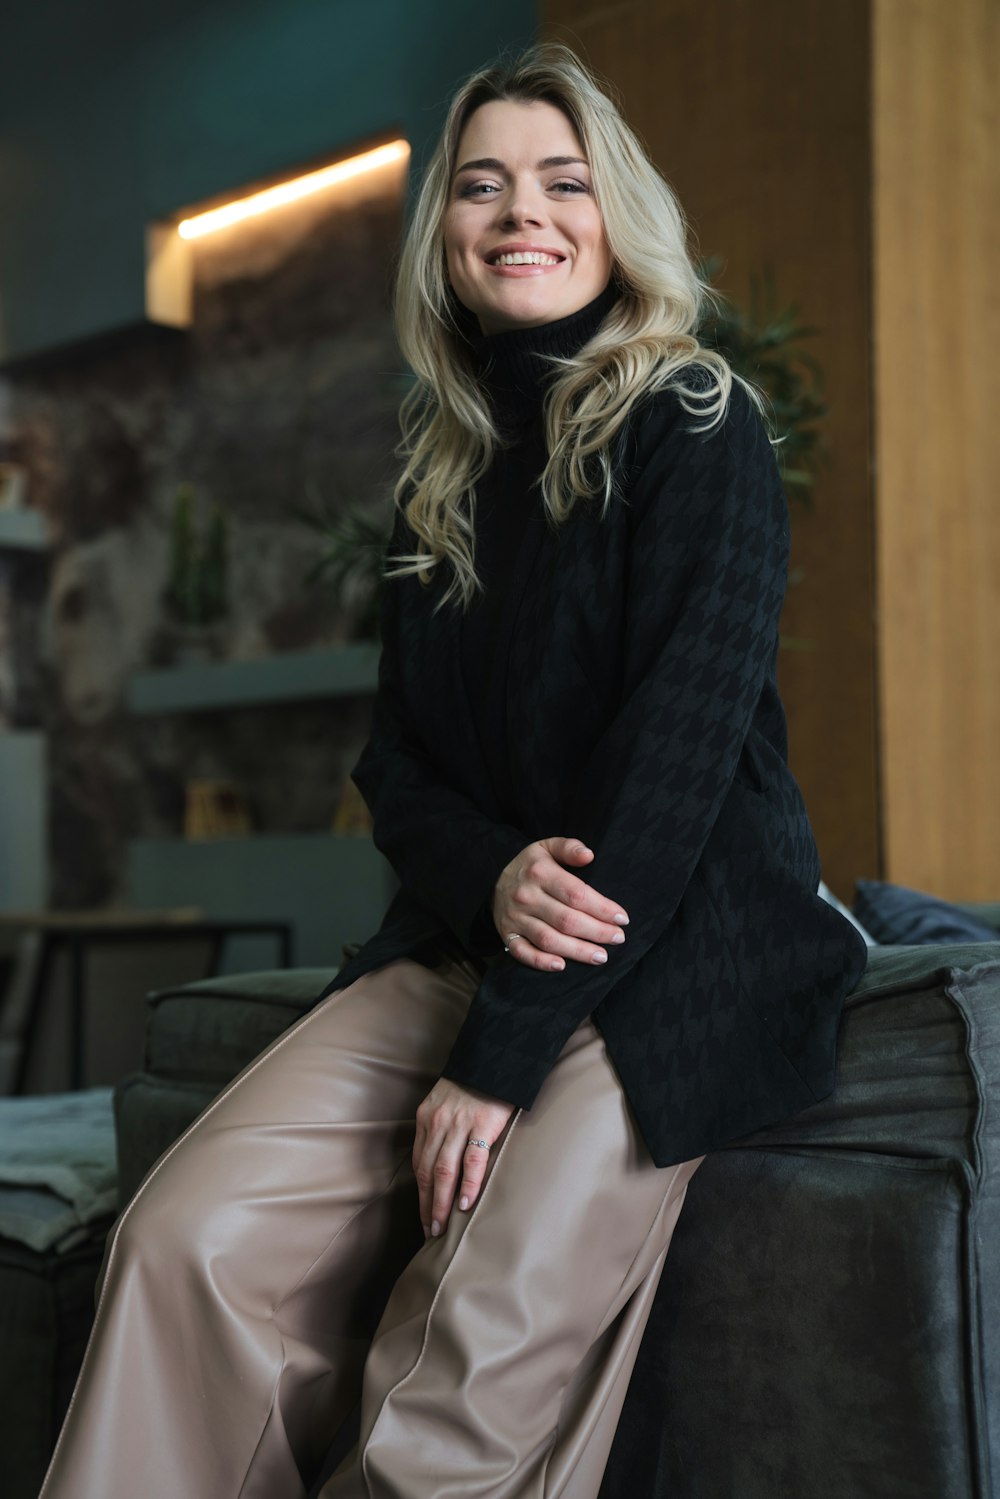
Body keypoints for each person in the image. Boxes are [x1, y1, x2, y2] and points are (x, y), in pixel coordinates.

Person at [39, 41, 869, 1499]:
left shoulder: (697, 423)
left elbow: (672, 770)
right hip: (473, 927)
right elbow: (396, 763)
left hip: (673, 943)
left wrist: (501, 1059)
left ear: (618, 216)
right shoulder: (442, 469)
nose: (520, 214)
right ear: (448, 241)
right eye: (480, 187)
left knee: (464, 1355)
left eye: (562, 181)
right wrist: (490, 872)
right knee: (182, 1242)